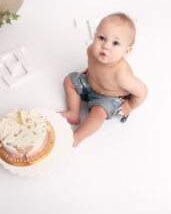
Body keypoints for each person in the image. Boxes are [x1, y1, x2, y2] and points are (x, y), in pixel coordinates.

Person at [61, 12, 148, 147]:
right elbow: (92, 65)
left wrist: (130, 105)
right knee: (69, 80)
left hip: (110, 97)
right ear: (94, 36)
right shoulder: (91, 51)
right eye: (102, 38)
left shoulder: (121, 74)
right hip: (91, 83)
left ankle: (78, 136)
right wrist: (88, 71)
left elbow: (142, 91)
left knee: (98, 113)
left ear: (126, 51)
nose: (106, 46)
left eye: (115, 43)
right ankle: (73, 113)